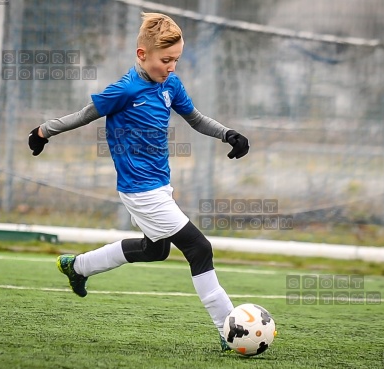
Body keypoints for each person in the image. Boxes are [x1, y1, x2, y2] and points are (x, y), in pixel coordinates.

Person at [28, 12, 249, 351]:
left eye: (176, 59)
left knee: (155, 250)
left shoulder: (170, 85)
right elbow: (85, 114)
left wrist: (228, 134)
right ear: (142, 55)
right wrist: (44, 131)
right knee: (199, 248)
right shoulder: (125, 90)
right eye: (166, 60)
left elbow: (196, 119)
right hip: (141, 191)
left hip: (160, 186)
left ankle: (78, 266)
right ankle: (228, 329)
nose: (172, 66)